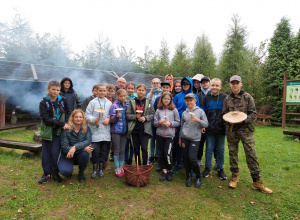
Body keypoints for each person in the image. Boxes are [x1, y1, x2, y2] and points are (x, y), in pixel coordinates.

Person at [222, 75, 272, 194]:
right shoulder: (227, 99)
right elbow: (224, 114)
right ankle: (234, 177)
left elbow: (253, 114)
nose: (235, 85)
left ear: (241, 84)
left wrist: (242, 120)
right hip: (232, 131)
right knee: (233, 153)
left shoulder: (247, 97)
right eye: (232, 83)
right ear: (230, 85)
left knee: (251, 154)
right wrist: (228, 122)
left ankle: (256, 181)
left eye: (237, 83)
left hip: (246, 130)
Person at [38, 81, 70, 184]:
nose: (55, 92)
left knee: (55, 153)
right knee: (46, 154)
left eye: (57, 90)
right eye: (53, 89)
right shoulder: (43, 103)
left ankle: (55, 173)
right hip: (48, 131)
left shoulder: (62, 100)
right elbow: (46, 118)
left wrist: (66, 122)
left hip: (59, 132)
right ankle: (46, 173)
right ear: (48, 89)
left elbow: (68, 111)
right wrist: (61, 123)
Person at [179, 93, 208, 188]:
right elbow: (182, 125)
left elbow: (206, 124)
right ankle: (188, 176)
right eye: (187, 101)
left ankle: (198, 176)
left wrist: (198, 120)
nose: (189, 102)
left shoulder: (200, 111)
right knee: (186, 158)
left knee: (192, 158)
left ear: (195, 100)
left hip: (195, 138)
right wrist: (180, 137)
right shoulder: (184, 112)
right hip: (184, 137)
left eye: (191, 100)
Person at [201, 78, 227, 180]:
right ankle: (207, 168)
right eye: (213, 85)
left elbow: (228, 112)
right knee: (209, 149)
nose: (215, 87)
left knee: (220, 149)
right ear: (210, 86)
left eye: (217, 85)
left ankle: (220, 168)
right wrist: (203, 126)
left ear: (220, 87)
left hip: (221, 128)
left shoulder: (225, 98)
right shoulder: (206, 98)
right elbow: (202, 113)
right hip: (209, 128)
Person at [172, 77, 200, 174]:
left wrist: (200, 123)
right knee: (178, 144)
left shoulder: (194, 96)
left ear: (190, 85)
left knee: (190, 145)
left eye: (187, 84)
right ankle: (179, 164)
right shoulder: (177, 96)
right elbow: (174, 109)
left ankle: (190, 165)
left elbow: (199, 110)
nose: (185, 86)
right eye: (183, 84)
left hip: (191, 123)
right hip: (179, 122)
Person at [85, 84, 112, 179]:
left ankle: (100, 169)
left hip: (105, 131)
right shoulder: (92, 102)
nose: (102, 92)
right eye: (100, 90)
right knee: (96, 150)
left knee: (104, 151)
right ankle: (95, 169)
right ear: (96, 91)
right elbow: (87, 115)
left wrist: (108, 119)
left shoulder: (109, 103)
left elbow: (112, 114)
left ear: (106, 92)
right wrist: (94, 119)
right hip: (95, 131)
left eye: (104, 91)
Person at [58, 109, 93, 182]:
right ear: (72, 118)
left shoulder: (86, 128)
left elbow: (88, 141)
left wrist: (75, 147)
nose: (78, 119)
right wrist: (82, 148)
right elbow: (64, 147)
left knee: (85, 154)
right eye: (76, 117)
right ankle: (68, 171)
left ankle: (81, 172)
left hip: (79, 155)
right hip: (67, 155)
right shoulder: (66, 130)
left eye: (80, 117)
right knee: (65, 172)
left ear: (83, 119)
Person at [154, 92, 180, 181]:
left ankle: (169, 170)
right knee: (161, 154)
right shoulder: (158, 110)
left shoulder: (174, 110)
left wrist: (170, 123)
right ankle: (164, 171)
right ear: (161, 100)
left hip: (170, 135)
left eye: (168, 99)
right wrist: (159, 122)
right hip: (160, 135)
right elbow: (154, 123)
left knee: (167, 154)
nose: (166, 100)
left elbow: (178, 122)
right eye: (164, 99)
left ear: (170, 100)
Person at [126, 84, 154, 165]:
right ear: (136, 91)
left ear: (145, 91)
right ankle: (138, 165)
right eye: (139, 90)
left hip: (145, 130)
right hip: (134, 129)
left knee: (144, 148)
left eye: (143, 90)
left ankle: (145, 165)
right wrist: (135, 117)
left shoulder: (148, 102)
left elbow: (152, 114)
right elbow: (127, 115)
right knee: (136, 149)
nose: (141, 91)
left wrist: (145, 118)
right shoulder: (132, 102)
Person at [110, 89, 128, 177]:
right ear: (117, 96)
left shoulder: (127, 105)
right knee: (116, 149)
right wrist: (116, 116)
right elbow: (112, 120)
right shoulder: (114, 105)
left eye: (124, 96)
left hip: (124, 131)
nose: (122, 97)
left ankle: (122, 166)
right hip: (116, 131)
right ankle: (117, 168)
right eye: (121, 96)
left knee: (122, 149)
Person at [197, 76, 211, 167]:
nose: (205, 84)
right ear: (201, 84)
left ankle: (215, 162)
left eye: (206, 82)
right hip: (201, 123)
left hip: (212, 122)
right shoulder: (198, 95)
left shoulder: (212, 94)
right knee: (200, 142)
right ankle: (198, 159)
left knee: (211, 145)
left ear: (209, 83)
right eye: (203, 82)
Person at [147, 78, 162, 164]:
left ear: (160, 84)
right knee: (152, 138)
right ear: (152, 84)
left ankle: (157, 155)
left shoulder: (162, 93)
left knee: (158, 138)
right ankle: (152, 156)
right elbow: (148, 106)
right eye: (154, 83)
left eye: (157, 83)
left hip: (160, 119)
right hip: (152, 119)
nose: (155, 84)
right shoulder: (149, 94)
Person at [125, 82, 137, 165]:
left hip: (134, 123)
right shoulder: (124, 97)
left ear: (134, 89)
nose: (130, 90)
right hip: (125, 122)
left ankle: (131, 159)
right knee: (126, 143)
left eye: (132, 88)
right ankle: (126, 159)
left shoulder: (136, 98)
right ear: (126, 89)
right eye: (128, 88)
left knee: (133, 143)